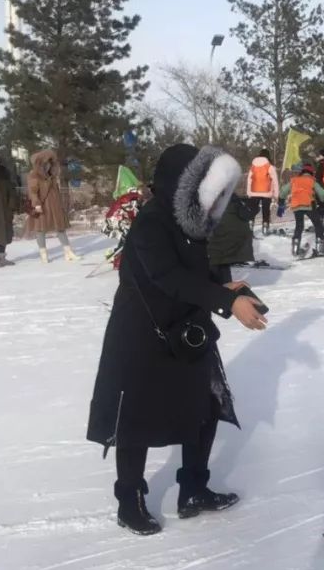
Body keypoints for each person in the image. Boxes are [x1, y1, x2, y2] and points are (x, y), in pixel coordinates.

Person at [87, 144, 269, 536]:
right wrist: (226, 301)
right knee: (135, 420)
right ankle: (129, 500)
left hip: (188, 330)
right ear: (182, 182)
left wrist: (227, 286)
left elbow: (194, 275)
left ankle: (194, 489)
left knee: (204, 408)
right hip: (143, 335)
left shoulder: (193, 223)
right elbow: (167, 277)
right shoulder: (152, 222)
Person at [25, 149, 77, 263]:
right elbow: (33, 192)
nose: (48, 165)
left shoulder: (52, 176)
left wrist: (60, 205)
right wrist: (37, 204)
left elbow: (56, 192)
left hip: (55, 206)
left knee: (60, 228)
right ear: (40, 164)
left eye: (50, 163)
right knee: (40, 230)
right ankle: (43, 254)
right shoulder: (34, 176)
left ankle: (68, 252)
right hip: (42, 206)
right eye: (46, 163)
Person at [280, 163, 324, 257]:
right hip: (309, 205)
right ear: (311, 172)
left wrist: (281, 201)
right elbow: (322, 194)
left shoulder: (294, 180)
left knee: (299, 226)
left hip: (296, 205)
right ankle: (320, 247)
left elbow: (283, 191)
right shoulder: (312, 180)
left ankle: (295, 249)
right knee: (317, 224)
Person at [208, 193, 257, 268]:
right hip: (238, 238)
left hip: (217, 243)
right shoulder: (235, 200)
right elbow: (247, 214)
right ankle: (238, 258)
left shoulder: (210, 201)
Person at [246, 148, 279, 236]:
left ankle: (250, 226)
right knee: (265, 210)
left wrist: (248, 192)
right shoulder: (269, 166)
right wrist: (276, 194)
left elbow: (249, 179)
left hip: (254, 191)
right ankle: (265, 228)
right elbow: (275, 181)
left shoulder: (253, 166)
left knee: (252, 210)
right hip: (266, 192)